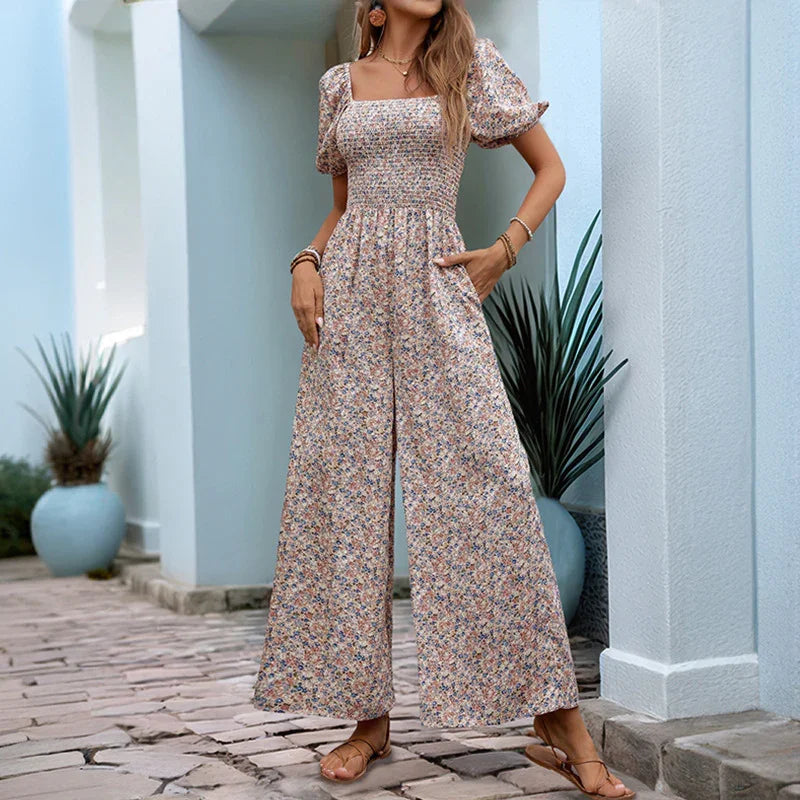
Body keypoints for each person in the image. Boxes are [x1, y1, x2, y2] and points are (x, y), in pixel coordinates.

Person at [252, 1, 634, 797]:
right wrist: (305, 259)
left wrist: (504, 249)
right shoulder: (338, 83)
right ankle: (367, 718)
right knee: (345, 501)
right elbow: (342, 208)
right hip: (348, 293)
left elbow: (551, 168)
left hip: (437, 287)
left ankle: (557, 717)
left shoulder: (471, 66)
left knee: (490, 489)